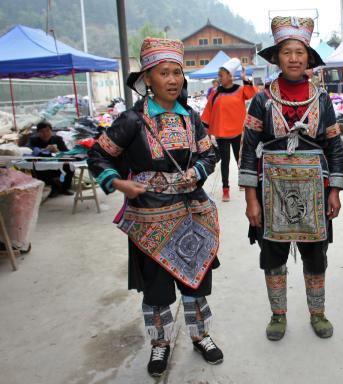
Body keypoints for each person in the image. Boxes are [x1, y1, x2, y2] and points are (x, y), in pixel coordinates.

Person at [87, 38, 222, 377]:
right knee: (157, 287)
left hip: (192, 215)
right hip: (150, 219)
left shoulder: (191, 118)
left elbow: (210, 153)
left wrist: (197, 172)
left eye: (177, 72)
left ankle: (200, 334)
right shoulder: (131, 121)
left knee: (195, 282)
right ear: (148, 78)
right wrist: (119, 183)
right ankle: (160, 343)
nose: (173, 79)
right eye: (164, 73)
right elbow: (98, 155)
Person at [239, 17, 343, 341]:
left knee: (316, 256)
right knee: (273, 256)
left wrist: (335, 192)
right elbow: (248, 150)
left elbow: (334, 147)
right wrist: (251, 198)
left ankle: (318, 313)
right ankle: (278, 315)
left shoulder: (322, 100)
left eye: (300, 52)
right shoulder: (261, 100)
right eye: (287, 52)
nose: (294, 58)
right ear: (277, 57)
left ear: (308, 57)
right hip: (271, 192)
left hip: (315, 191)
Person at [201, 58, 257, 201]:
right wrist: (205, 131)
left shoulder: (240, 89)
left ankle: (242, 182)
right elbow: (208, 110)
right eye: (219, 75)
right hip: (221, 133)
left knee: (240, 158)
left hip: (238, 131)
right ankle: (225, 189)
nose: (219, 78)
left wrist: (245, 79)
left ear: (229, 75)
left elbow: (252, 94)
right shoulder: (216, 92)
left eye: (221, 75)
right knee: (225, 161)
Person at [27, 120, 74, 197]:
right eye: (42, 131)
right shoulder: (33, 139)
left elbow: (67, 152)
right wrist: (43, 150)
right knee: (39, 168)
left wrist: (57, 151)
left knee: (70, 166)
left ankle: (65, 188)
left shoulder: (58, 139)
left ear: (51, 131)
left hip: (57, 166)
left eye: (47, 131)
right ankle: (53, 188)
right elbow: (27, 149)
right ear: (38, 133)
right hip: (43, 167)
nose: (45, 134)